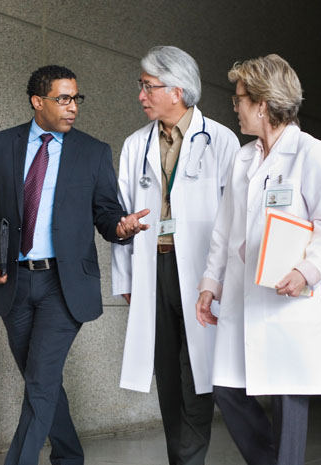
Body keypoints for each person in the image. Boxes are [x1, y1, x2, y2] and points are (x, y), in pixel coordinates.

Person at [0, 65, 149, 465]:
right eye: (63, 99)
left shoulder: (93, 151)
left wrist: (122, 226)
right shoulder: (0, 146)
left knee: (41, 380)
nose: (72, 108)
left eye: (76, 99)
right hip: (13, 283)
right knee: (40, 383)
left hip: (63, 287)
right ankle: (69, 456)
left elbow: (106, 213)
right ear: (38, 101)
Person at [195, 54, 321, 465]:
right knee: (226, 389)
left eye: (240, 99)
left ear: (262, 104)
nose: (236, 107)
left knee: (288, 399)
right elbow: (224, 231)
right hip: (244, 298)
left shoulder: (313, 154)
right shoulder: (243, 159)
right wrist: (210, 284)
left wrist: (305, 271)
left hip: (288, 299)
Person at [111, 46, 240, 465]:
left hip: (202, 269)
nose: (141, 95)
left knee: (197, 368)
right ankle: (181, 457)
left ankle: (189, 458)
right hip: (154, 268)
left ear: (178, 90)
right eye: (141, 86)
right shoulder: (135, 145)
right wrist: (127, 281)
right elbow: (122, 215)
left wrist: (220, 277)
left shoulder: (220, 140)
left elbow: (233, 217)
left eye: (148, 87)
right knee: (166, 369)